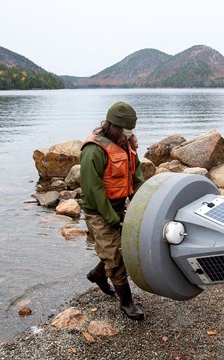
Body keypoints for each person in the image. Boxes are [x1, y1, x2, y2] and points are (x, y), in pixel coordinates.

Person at [80, 101, 145, 321]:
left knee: (123, 248)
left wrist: (143, 206)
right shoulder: (94, 150)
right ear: (116, 126)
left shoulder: (127, 145)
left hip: (118, 207)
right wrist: (110, 217)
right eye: (127, 128)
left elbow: (136, 178)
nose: (130, 133)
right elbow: (93, 190)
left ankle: (98, 274)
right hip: (98, 212)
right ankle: (126, 303)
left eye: (132, 129)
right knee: (116, 257)